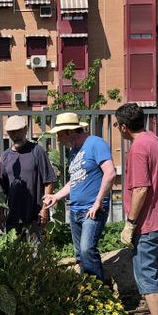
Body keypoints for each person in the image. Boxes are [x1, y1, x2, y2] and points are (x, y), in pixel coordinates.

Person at [114, 103, 158, 315]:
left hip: (146, 222)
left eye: (117, 125)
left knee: (146, 274)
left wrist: (130, 223)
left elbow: (140, 189)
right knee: (155, 271)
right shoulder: (155, 141)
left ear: (124, 127)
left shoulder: (139, 148)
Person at [42, 112, 116, 280]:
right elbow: (75, 180)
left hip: (92, 209)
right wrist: (56, 196)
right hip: (75, 211)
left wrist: (98, 202)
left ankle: (100, 288)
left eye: (60, 135)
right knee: (80, 255)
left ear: (70, 132)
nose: (59, 140)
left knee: (86, 249)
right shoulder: (73, 152)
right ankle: (87, 288)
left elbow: (110, 173)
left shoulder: (96, 144)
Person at [0, 115, 57, 247]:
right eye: (11, 132)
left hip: (35, 214)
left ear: (25, 130)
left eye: (18, 131)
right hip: (13, 216)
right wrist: (1, 213)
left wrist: (44, 209)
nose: (15, 135)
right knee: (14, 253)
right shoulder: (6, 156)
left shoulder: (36, 151)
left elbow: (49, 181)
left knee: (36, 253)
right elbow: (3, 188)